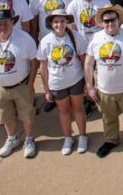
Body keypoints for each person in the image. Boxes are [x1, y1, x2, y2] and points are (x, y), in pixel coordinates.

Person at [85, 4, 123, 159]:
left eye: (113, 20)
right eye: (106, 21)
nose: (110, 24)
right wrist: (90, 86)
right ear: (102, 23)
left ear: (119, 20)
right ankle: (111, 140)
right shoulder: (96, 38)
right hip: (104, 89)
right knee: (108, 118)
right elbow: (88, 63)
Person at [0, 8, 39, 159]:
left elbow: (34, 62)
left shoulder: (24, 38)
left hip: (21, 86)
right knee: (6, 116)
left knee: (27, 115)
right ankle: (12, 138)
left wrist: (30, 83)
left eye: (6, 23)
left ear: (13, 22)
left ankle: (29, 139)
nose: (2, 26)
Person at [37, 9, 89, 155]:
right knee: (63, 110)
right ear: (51, 24)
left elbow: (84, 59)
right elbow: (43, 67)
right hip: (57, 82)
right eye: (56, 22)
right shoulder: (45, 41)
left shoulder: (75, 37)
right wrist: (47, 89)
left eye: (62, 21)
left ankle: (83, 136)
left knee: (78, 108)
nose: (59, 24)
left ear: (67, 22)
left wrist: (87, 82)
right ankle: (68, 137)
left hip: (76, 79)